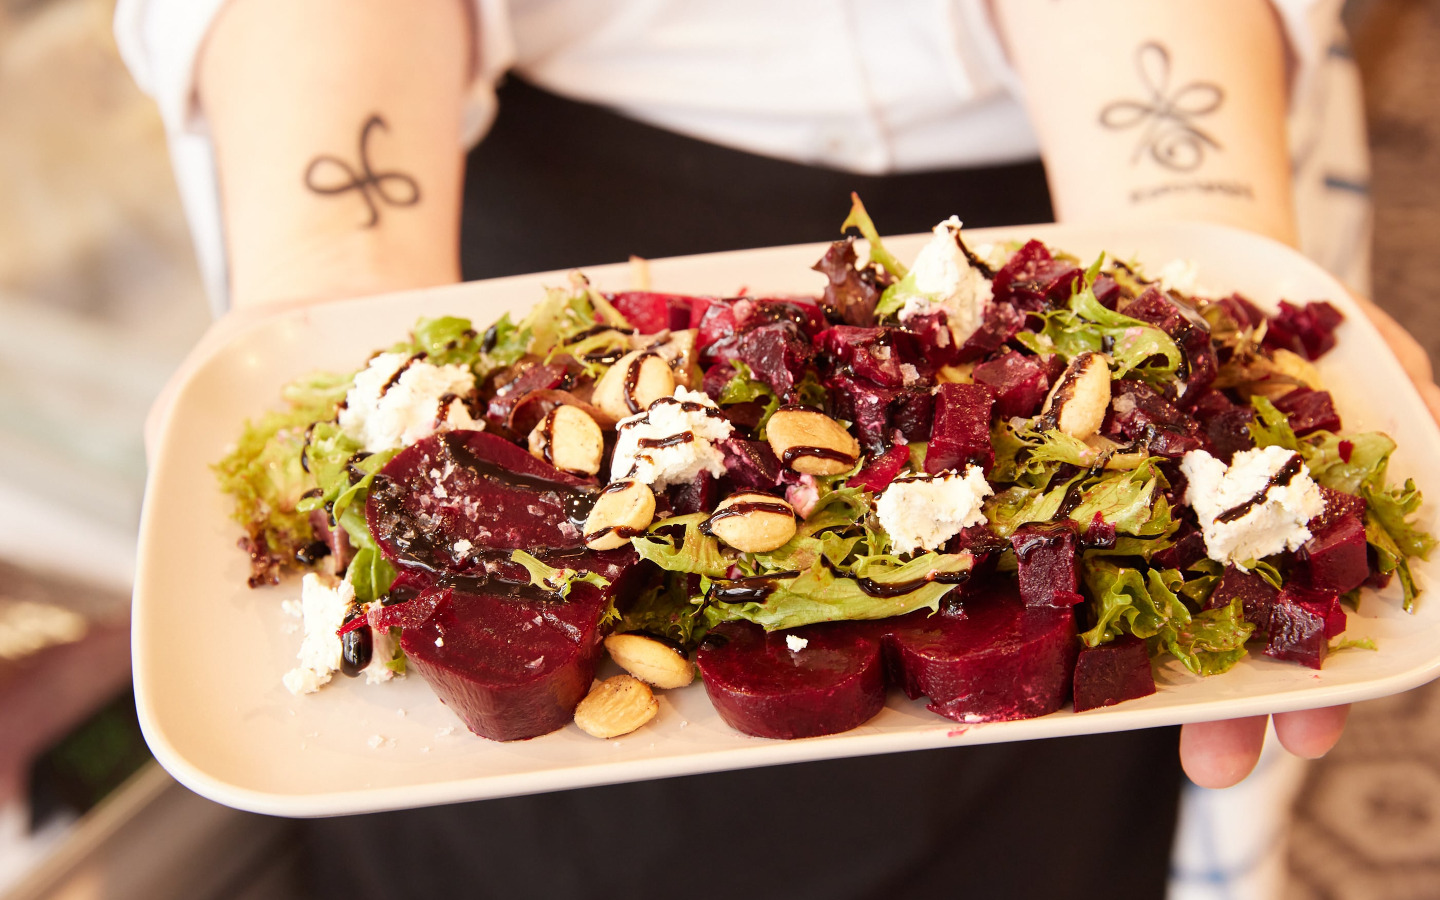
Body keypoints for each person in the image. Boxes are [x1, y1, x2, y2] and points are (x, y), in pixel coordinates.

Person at [115, 1, 1440, 897]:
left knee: (1032, 788)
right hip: (525, 209)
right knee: (513, 793)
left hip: (1048, 183)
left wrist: (1189, 236)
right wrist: (330, 286)